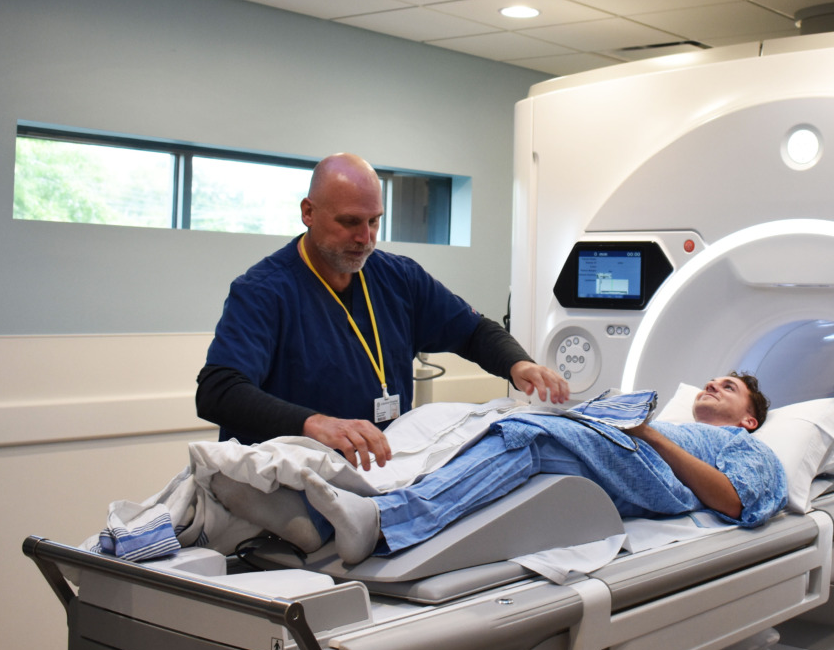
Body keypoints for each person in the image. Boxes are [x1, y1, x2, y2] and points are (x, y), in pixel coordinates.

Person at [196, 153, 568, 468]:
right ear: (308, 212)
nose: (365, 237)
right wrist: (314, 424)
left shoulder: (397, 277)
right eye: (349, 222)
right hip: (288, 479)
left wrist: (518, 364)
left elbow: (472, 331)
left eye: (374, 221)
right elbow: (219, 392)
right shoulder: (264, 291)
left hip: (381, 473)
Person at [355, 372, 785, 561]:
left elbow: (733, 502)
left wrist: (649, 434)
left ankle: (383, 521)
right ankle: (364, 491)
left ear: (749, 418)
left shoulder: (749, 446)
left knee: (528, 437)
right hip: (621, 448)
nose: (712, 384)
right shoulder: (677, 426)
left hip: (641, 464)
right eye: (712, 381)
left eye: (728, 387)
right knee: (497, 421)